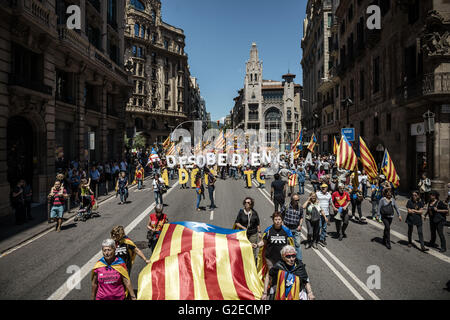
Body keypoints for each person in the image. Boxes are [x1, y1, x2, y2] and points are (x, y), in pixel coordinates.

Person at [257, 212, 294, 294]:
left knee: (282, 273)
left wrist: (292, 256)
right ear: (273, 220)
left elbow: (291, 244)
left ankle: (281, 287)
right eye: (276, 219)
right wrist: (257, 245)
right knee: (271, 273)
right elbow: (264, 242)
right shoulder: (268, 230)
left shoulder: (287, 231)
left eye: (279, 219)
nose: (277, 221)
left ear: (282, 220)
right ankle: (269, 289)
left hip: (282, 258)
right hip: (270, 257)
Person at [234, 197, 261, 261]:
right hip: (243, 234)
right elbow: (237, 223)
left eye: (248, 202)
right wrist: (243, 228)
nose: (247, 204)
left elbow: (258, 223)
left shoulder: (254, 213)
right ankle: (244, 263)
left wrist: (259, 232)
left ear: (251, 204)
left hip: (253, 233)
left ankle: (253, 263)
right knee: (243, 248)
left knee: (252, 249)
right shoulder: (241, 212)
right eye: (245, 202)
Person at [280, 194, 303, 261]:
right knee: (286, 244)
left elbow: (301, 217)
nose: (297, 201)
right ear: (292, 200)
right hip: (287, 228)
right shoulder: (286, 205)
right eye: (296, 200)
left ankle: (299, 261)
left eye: (298, 200)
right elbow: (280, 215)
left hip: (296, 228)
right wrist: (282, 224)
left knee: (297, 244)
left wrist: (300, 225)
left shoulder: (300, 207)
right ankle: (285, 259)